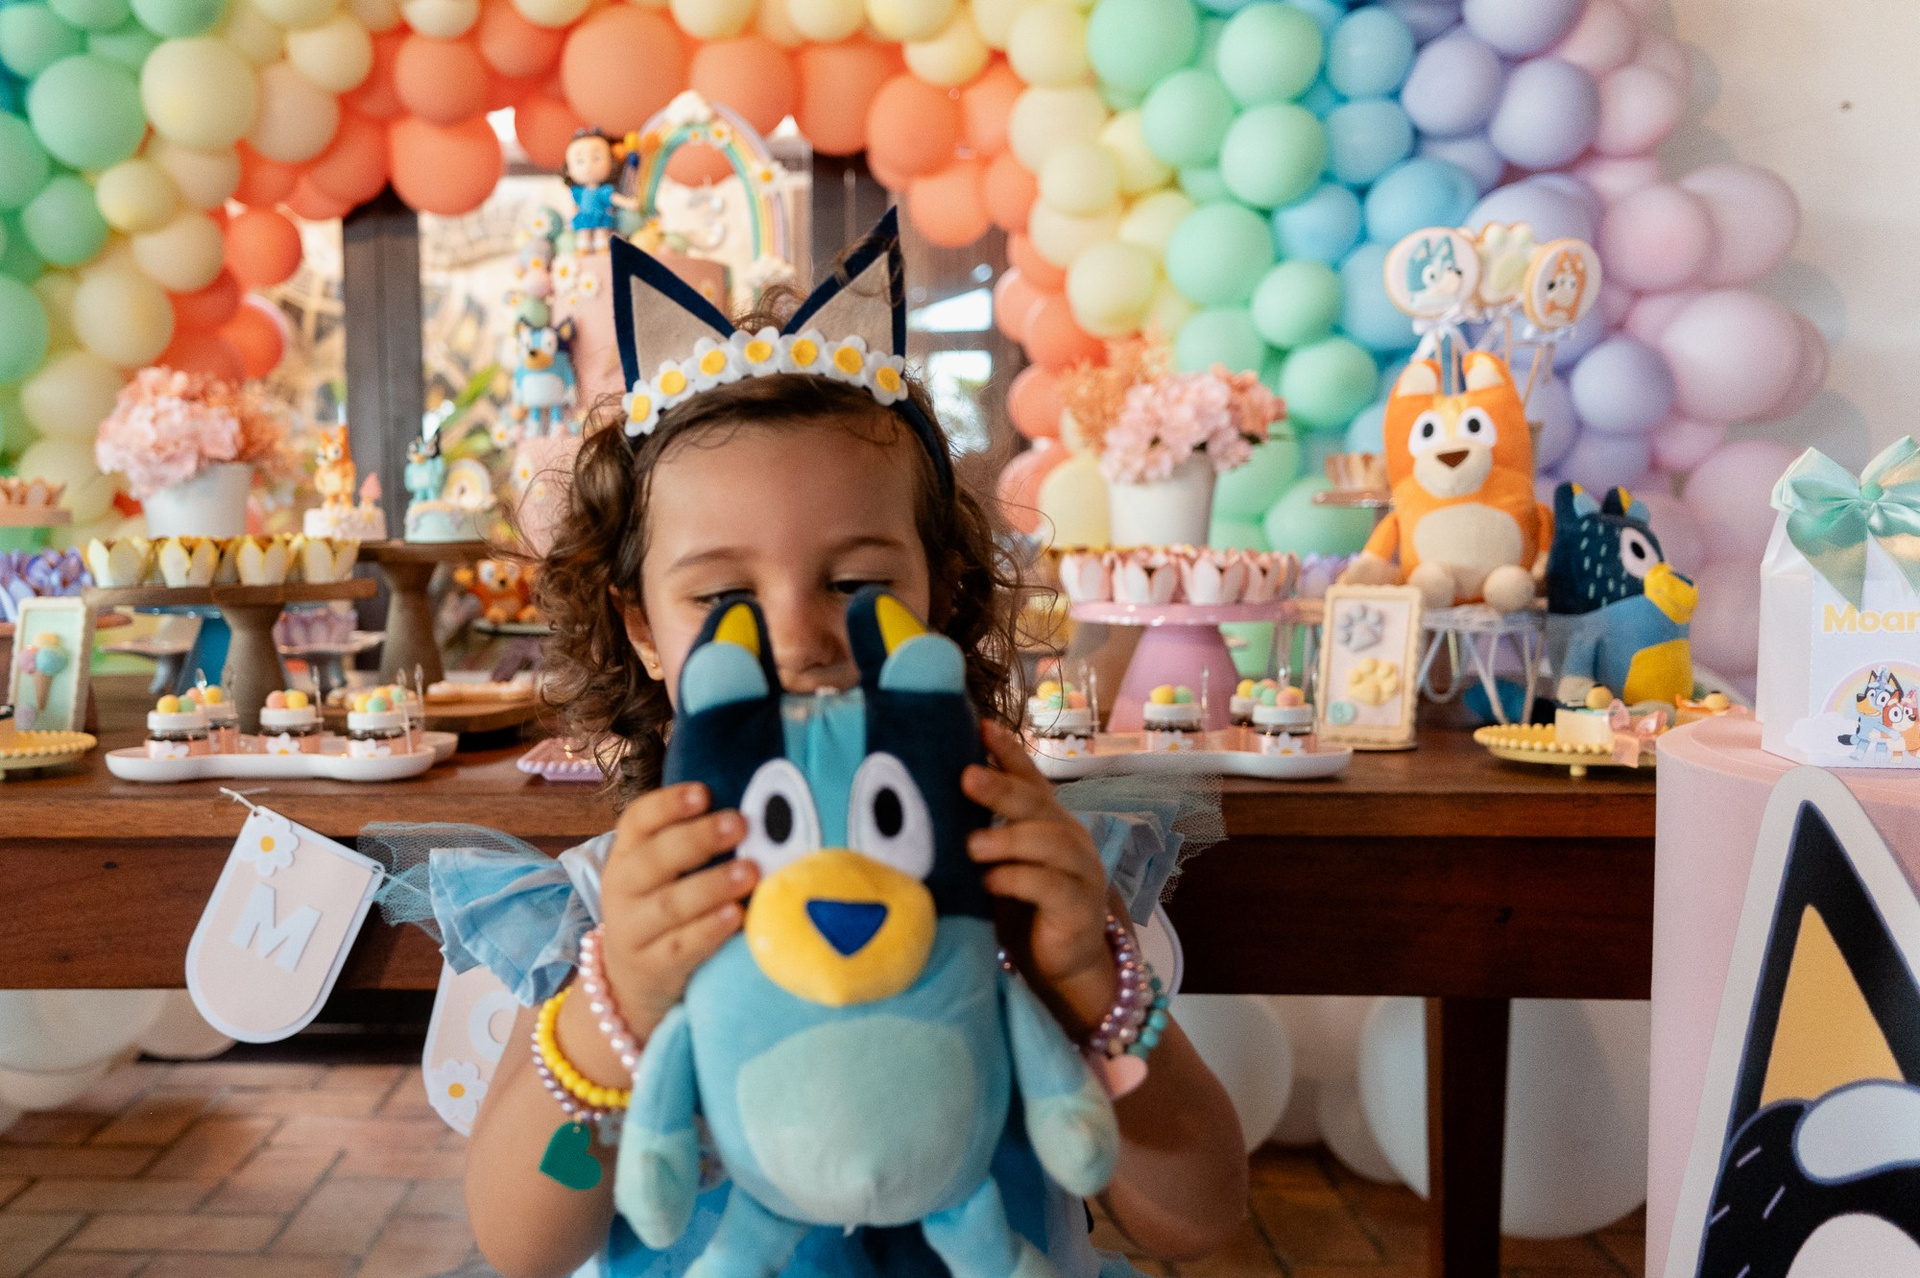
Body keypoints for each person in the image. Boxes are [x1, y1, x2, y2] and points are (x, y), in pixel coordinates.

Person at [444, 221, 1247, 1278]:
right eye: (722, 597)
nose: (798, 640)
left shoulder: (1020, 877)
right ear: (641, 627)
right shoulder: (613, 906)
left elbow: (1198, 1216)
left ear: (940, 593)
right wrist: (619, 1008)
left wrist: (1088, 979)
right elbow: (521, 1244)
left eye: (858, 584)